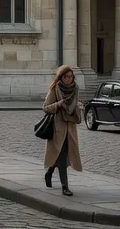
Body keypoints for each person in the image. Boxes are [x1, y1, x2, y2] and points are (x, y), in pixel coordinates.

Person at [42, 65, 83, 197]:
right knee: (61, 155)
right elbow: (46, 108)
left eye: (71, 77)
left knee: (64, 154)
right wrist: (58, 104)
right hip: (58, 126)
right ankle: (65, 186)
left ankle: (49, 173)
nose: (69, 79)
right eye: (66, 76)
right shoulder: (55, 88)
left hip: (70, 126)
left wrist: (78, 107)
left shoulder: (75, 89)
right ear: (61, 77)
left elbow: (75, 104)